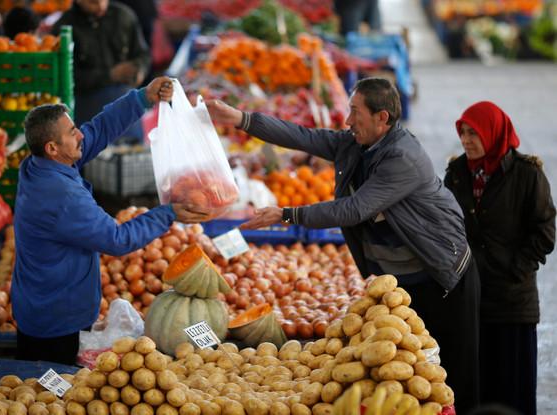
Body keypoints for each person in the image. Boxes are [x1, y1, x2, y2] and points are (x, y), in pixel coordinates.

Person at [206, 78, 480, 413]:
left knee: (452, 378)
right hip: (401, 282)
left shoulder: (401, 157)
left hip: (442, 277)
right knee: (408, 379)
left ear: (382, 118)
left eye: (355, 112)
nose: (348, 121)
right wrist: (241, 119)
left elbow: (354, 209)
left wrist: (286, 214)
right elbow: (303, 136)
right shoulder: (356, 143)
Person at [12, 77, 209, 365]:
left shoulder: (39, 164)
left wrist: (142, 98)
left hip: (38, 303)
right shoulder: (62, 196)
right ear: (53, 147)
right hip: (55, 321)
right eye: (71, 132)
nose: (80, 135)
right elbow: (117, 240)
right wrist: (168, 213)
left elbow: (97, 131)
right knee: (52, 395)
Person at [444, 101, 555, 415]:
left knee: (511, 391)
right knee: (475, 389)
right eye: (463, 132)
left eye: (474, 133)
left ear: (493, 133)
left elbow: (545, 230)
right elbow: (443, 222)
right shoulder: (456, 173)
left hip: (511, 303)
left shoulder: (526, 174)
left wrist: (516, 269)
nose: (466, 140)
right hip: (470, 300)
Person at [52, 0, 150, 139]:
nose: (100, 5)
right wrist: (110, 76)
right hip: (87, 108)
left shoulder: (124, 16)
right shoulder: (64, 27)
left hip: (126, 105)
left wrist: (139, 69)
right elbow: (65, 78)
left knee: (132, 154)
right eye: (93, 2)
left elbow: (143, 54)